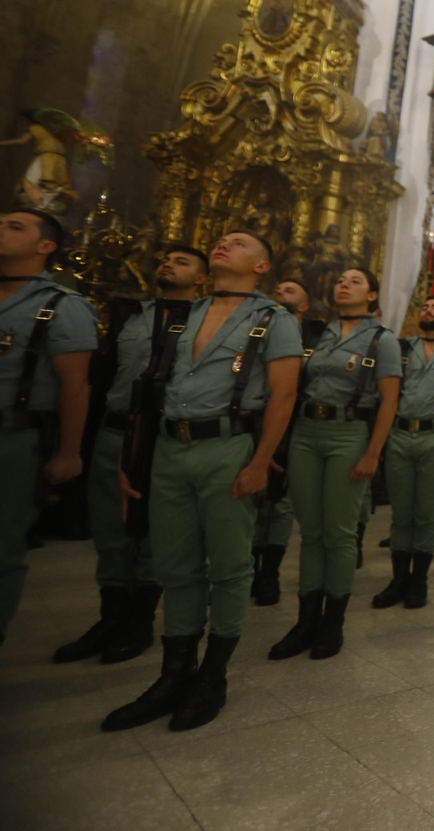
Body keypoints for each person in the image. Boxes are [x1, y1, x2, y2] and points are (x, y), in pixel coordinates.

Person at [102, 231, 301, 732]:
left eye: (238, 243)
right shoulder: (180, 315)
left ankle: (213, 675)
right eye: (222, 240)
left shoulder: (272, 320)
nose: (223, 245)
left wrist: (260, 462)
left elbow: (282, 396)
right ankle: (173, 675)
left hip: (227, 447)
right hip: (170, 448)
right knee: (176, 565)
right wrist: (135, 457)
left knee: (229, 567)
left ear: (261, 266)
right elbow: (151, 390)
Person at [54, 245, 207, 666]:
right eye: (166, 258)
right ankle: (109, 619)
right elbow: (101, 376)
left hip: (165, 436)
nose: (168, 264)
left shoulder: (207, 321)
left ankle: (138, 623)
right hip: (115, 432)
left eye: (182, 262)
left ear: (201, 279)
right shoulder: (130, 315)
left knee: (155, 532)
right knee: (110, 529)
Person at [269, 268, 400, 661]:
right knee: (310, 532)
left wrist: (373, 452)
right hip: (307, 434)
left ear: (372, 295)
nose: (344, 284)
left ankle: (332, 622)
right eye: (341, 280)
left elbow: (389, 401)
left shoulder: (382, 339)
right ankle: (305, 620)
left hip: (348, 433)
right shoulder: (318, 333)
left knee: (339, 533)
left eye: (355, 281)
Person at [0, 210, 97, 647]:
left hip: (12, 435)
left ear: (45, 247)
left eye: (14, 226)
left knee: (3, 547)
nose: (1, 229)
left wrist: (69, 452)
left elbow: (75, 385)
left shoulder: (62, 305)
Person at [371, 297, 434, 611]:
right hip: (400, 436)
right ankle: (398, 578)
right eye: (426, 307)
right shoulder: (400, 348)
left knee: (427, 514)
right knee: (401, 514)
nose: (429, 310)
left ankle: (419, 580)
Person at [250, 277, 312, 603]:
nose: (279, 293)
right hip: (255, 421)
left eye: (290, 291)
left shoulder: (312, 338)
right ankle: (248, 566)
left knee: (280, 504)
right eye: (279, 288)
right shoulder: (256, 327)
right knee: (252, 502)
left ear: (303, 306)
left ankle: (269, 573)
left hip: (293, 427)